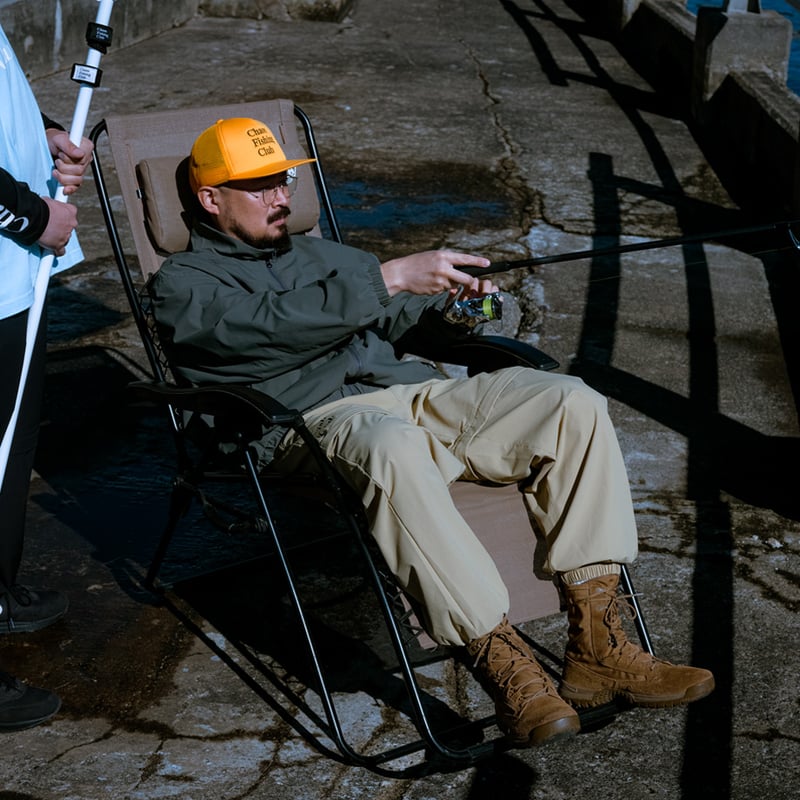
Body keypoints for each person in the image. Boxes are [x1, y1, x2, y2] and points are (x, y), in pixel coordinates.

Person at [149, 117, 715, 748]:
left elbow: (420, 321)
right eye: (259, 187)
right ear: (210, 199)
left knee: (569, 399)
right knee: (391, 446)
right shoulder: (182, 283)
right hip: (309, 422)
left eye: (282, 181)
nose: (281, 197)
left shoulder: (328, 254)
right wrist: (386, 278)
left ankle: (600, 647)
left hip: (416, 398)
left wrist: (471, 303)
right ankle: (506, 667)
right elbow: (258, 328)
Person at [0, 23, 94, 731]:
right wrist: (33, 216)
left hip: (11, 283)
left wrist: (46, 131)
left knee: (12, 455)